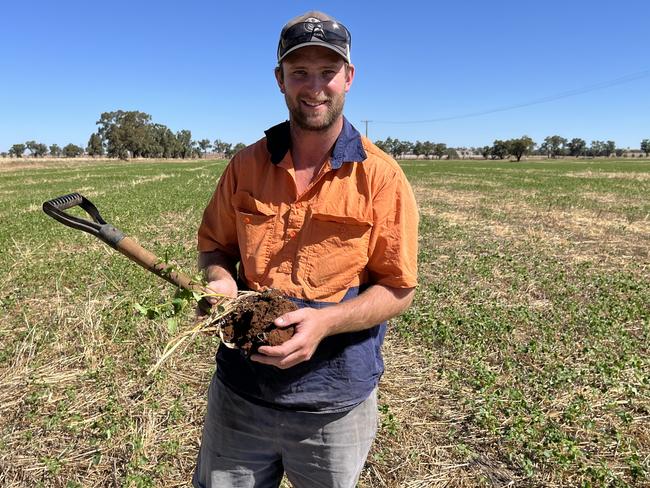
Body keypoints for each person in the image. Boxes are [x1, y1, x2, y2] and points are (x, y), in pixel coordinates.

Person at [193, 10, 418, 488]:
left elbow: (398, 289)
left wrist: (326, 322)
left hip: (331, 406)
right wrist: (220, 281)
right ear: (280, 80)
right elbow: (214, 247)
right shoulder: (246, 165)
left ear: (349, 78)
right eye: (299, 72)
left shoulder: (380, 176)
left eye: (327, 72)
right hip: (241, 394)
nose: (314, 86)